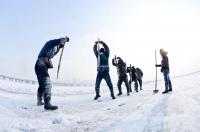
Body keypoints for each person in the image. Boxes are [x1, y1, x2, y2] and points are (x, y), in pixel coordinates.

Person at [35, 36, 69, 110]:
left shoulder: (52, 50)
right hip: (41, 64)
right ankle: (47, 104)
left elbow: (54, 53)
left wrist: (60, 47)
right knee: (47, 83)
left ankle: (39, 101)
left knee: (41, 85)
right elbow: (58, 41)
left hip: (40, 65)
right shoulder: (49, 43)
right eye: (57, 45)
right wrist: (64, 40)